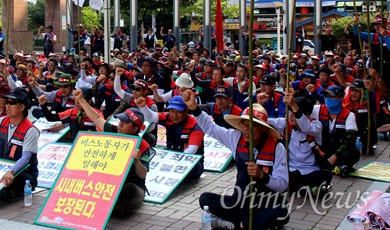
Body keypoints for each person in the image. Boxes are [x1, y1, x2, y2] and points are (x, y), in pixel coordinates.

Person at [186, 89, 289, 230]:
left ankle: (238, 223)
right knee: (205, 199)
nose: (247, 129)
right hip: (240, 201)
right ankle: (246, 224)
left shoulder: (278, 148)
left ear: (263, 129)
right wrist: (194, 108)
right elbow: (212, 129)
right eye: (244, 124)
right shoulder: (235, 137)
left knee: (282, 212)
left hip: (265, 202)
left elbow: (282, 184)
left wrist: (262, 176)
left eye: (252, 126)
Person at [73, 90, 152, 217]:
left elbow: (142, 175)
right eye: (120, 121)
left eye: (125, 123)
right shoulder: (115, 131)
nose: (120, 125)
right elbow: (97, 118)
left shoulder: (142, 146)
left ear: (135, 128)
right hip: (110, 182)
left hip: (132, 186)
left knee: (128, 191)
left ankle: (114, 207)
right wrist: (81, 100)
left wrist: (137, 162)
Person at [267, 90, 332, 195]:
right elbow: (265, 121)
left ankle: (306, 188)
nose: (291, 116)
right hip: (290, 170)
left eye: (294, 113)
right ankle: (307, 189)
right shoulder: (286, 125)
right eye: (290, 112)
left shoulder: (316, 126)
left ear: (307, 115)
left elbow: (305, 127)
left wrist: (294, 106)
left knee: (326, 174)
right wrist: (260, 105)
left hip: (310, 170)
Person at [137, 94, 204, 180]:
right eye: (172, 111)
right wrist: (143, 107)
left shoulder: (195, 125)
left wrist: (172, 162)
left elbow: (192, 149)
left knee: (192, 171)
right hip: (170, 155)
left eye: (178, 111)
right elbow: (152, 116)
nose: (174, 115)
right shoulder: (167, 117)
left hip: (191, 161)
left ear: (186, 111)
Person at [312, 85, 360, 177]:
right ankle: (336, 167)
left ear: (341, 98)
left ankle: (337, 165)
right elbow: (303, 111)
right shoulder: (317, 109)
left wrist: (335, 155)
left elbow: (349, 139)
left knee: (354, 154)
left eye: (332, 96)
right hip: (322, 149)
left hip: (339, 150)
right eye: (326, 96)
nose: (328, 99)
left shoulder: (349, 115)